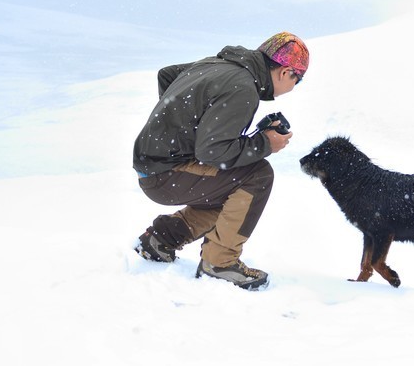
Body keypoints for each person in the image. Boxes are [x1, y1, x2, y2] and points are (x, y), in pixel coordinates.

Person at [132, 32, 309, 290]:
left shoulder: (220, 64)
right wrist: (265, 144)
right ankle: (220, 263)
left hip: (153, 165)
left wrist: (181, 128)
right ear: (285, 72)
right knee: (257, 176)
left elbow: (167, 74)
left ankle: (161, 240)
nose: (295, 85)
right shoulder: (244, 88)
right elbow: (211, 151)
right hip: (164, 174)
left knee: (234, 196)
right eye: (299, 79)